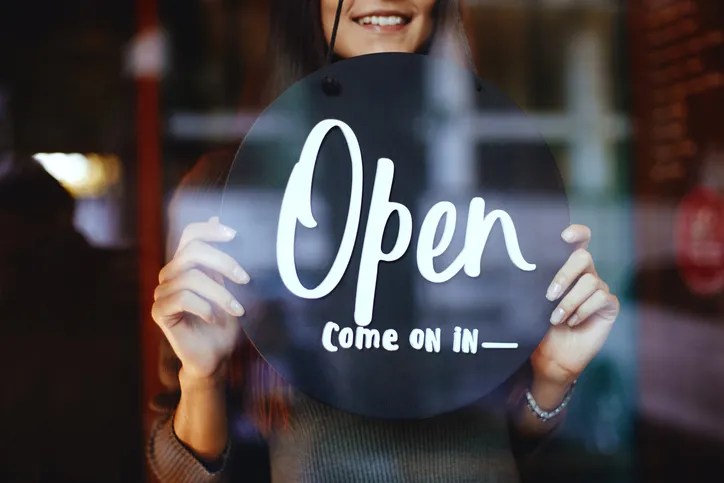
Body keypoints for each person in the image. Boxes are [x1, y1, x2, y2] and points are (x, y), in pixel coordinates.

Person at [147, 1, 621, 481]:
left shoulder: (500, 177)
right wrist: (202, 378)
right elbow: (180, 472)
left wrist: (553, 376)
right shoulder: (230, 193)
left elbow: (510, 445)